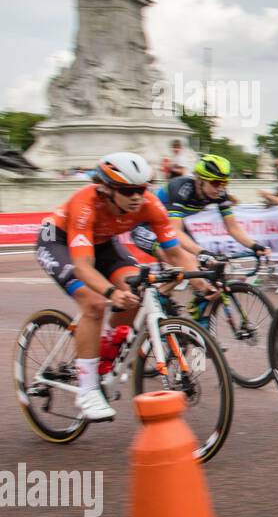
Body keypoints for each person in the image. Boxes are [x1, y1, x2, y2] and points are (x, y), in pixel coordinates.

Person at [35, 152, 211, 421]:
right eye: (128, 191)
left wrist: (201, 283)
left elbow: (175, 253)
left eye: (141, 189)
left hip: (103, 242)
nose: (136, 197)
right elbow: (83, 267)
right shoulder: (86, 204)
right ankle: (87, 391)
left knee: (135, 291)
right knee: (94, 303)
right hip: (58, 241)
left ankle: (104, 351)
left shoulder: (150, 204)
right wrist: (110, 293)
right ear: (107, 189)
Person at [131, 153, 270, 267]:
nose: (220, 188)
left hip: (168, 226)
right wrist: (201, 251)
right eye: (215, 183)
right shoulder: (180, 188)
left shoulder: (219, 194)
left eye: (224, 183)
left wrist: (255, 246)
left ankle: (171, 296)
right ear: (200, 180)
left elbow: (232, 227)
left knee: (205, 267)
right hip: (145, 226)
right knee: (184, 261)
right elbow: (176, 231)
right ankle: (158, 296)